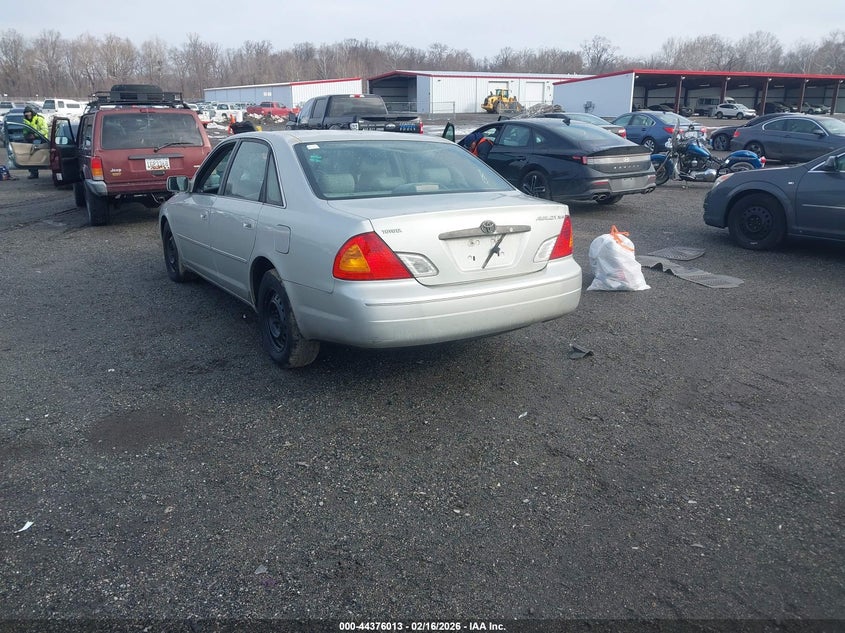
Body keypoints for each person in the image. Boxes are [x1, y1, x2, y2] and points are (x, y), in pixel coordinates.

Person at [22, 105, 48, 179]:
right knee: (31, 157)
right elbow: (25, 131)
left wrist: (35, 135)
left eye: (28, 113)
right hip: (31, 141)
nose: (27, 114)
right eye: (26, 113)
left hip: (42, 140)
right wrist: (27, 136)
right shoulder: (25, 121)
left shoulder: (40, 119)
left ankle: (52, 171)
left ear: (32, 112)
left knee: (43, 157)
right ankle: (34, 173)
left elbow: (45, 130)